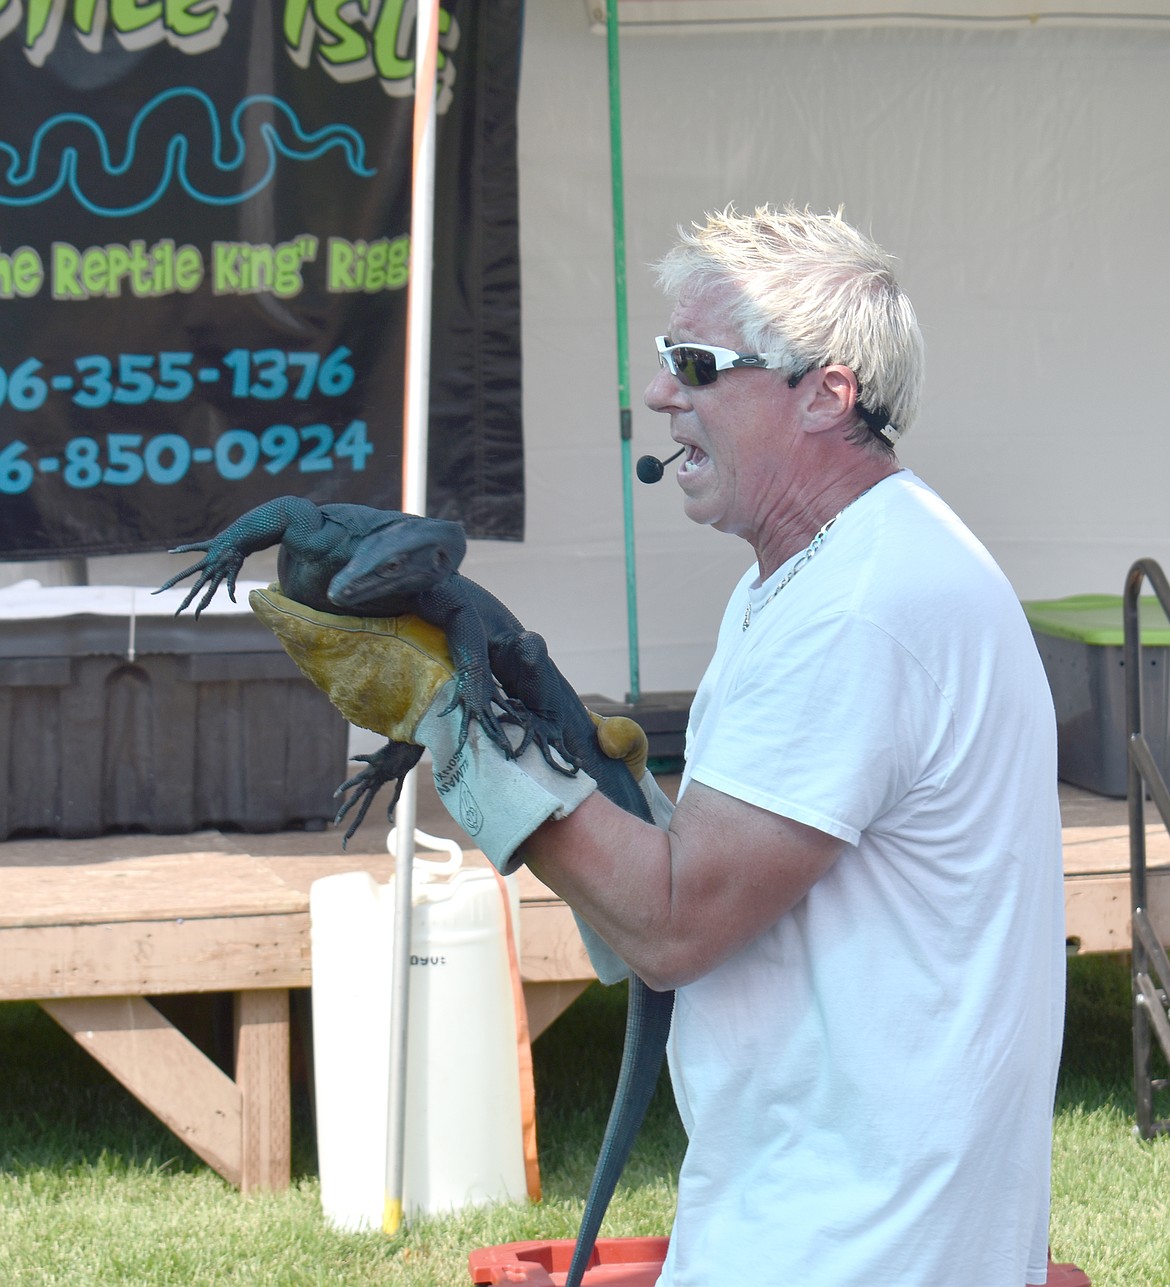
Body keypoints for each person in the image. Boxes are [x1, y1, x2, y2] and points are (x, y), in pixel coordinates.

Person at [261, 204, 1066, 1285]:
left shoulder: (865, 605)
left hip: (864, 1245)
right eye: (661, 357)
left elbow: (677, 925)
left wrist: (458, 727)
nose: (659, 394)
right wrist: (588, 775)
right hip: (816, 1210)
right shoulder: (810, 576)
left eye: (695, 362)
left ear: (827, 394)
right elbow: (718, 889)